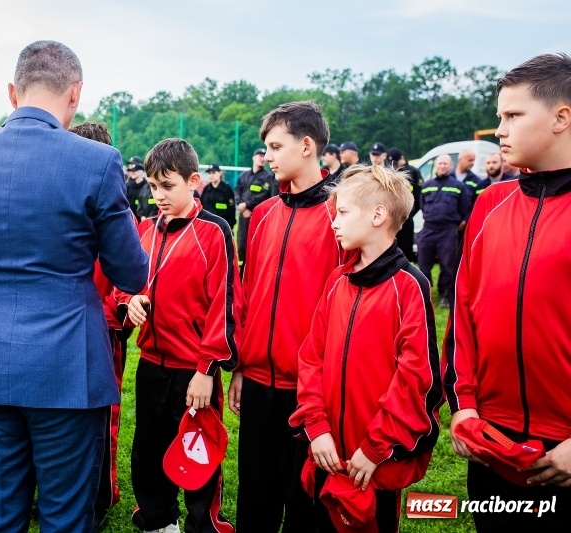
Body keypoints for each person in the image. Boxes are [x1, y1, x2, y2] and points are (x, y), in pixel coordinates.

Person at [0, 40, 148, 533]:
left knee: (0, 509)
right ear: (75, 94)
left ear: (12, 93)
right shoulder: (97, 160)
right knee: (66, 515)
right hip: (66, 364)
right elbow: (131, 273)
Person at [444, 52, 571, 533]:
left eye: (513, 115)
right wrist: (465, 408)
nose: (500, 128)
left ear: (562, 118)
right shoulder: (490, 204)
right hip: (491, 441)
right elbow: (462, 313)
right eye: (500, 116)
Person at [290, 164, 442, 533]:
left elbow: (416, 381)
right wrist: (316, 425)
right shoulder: (337, 280)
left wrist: (375, 448)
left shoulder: (410, 287)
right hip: (327, 454)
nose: (334, 223)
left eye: (342, 212)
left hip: (373, 465)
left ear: (378, 215)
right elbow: (311, 358)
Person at [116, 138, 242, 533]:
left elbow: (226, 305)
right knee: (149, 448)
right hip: (153, 363)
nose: (158, 196)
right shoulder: (146, 228)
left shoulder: (214, 232)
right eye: (153, 187)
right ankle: (156, 518)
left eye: (167, 186)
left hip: (194, 368)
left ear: (193, 182)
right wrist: (129, 301)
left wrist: (207, 370)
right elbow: (128, 282)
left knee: (198, 448)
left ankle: (202, 523)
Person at [228, 101, 343, 532]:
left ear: (307, 146)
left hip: (312, 393)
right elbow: (249, 294)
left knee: (305, 505)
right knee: (254, 498)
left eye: (276, 146)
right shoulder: (261, 215)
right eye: (267, 147)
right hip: (258, 385)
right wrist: (241, 365)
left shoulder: (341, 216)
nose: (268, 157)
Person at [69, 120, 133, 531]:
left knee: (101, 416)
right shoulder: (67, 205)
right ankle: (69, 492)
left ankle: (99, 496)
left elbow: (130, 275)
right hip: (65, 329)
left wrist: (114, 311)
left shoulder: (112, 209)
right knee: (66, 415)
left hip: (102, 329)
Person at [417, 154, 471, 309]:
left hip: (447, 230)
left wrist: (461, 223)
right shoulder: (427, 185)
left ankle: (446, 295)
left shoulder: (458, 186)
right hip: (428, 229)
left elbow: (465, 209)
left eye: (445, 164)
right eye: (439, 163)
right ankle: (425, 293)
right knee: (423, 264)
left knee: (448, 265)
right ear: (436, 166)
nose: (442, 166)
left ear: (451, 166)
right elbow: (422, 205)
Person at [234, 148, 274, 274]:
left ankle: (253, 273)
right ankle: (240, 273)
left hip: (257, 216)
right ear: (253, 158)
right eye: (259, 155)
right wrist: (241, 205)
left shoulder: (267, 177)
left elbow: (263, 195)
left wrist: (246, 205)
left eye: (263, 156)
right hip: (243, 216)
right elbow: (237, 191)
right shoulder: (244, 176)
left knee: (255, 245)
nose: (262, 158)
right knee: (241, 245)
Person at [387, 147, 422, 262]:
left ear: (401, 159)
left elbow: (418, 196)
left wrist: (409, 213)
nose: (394, 165)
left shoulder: (413, 172)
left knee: (406, 250)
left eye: (396, 162)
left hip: (407, 218)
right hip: (392, 219)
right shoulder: (389, 172)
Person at [200, 163, 236, 228]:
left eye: (213, 173)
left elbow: (231, 210)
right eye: (209, 173)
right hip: (207, 226)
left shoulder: (227, 189)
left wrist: (229, 227)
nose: (211, 175)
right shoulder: (206, 189)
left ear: (220, 173)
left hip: (222, 227)